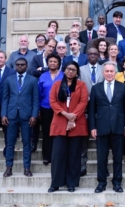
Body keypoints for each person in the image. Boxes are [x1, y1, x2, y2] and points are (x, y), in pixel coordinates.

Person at [88, 61, 125, 193]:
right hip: (101, 127)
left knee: (118, 157)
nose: (109, 73)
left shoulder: (122, 87)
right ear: (103, 73)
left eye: (111, 71)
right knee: (102, 157)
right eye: (106, 71)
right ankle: (101, 183)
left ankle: (117, 182)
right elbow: (91, 110)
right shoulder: (96, 88)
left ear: (115, 72)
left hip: (118, 126)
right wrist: (92, 127)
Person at [47, 61, 89, 193]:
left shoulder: (82, 85)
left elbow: (83, 102)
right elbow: (53, 101)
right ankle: (56, 183)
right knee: (58, 155)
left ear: (77, 73)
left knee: (74, 155)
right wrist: (66, 114)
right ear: (64, 70)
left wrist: (73, 117)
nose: (71, 71)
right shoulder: (57, 84)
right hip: (60, 122)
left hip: (76, 125)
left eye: (74, 70)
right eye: (69, 69)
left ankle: (72, 183)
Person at [1, 58, 39, 177]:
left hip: (27, 116)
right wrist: (3, 114)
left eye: (22, 65)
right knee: (10, 143)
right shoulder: (9, 80)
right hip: (11, 115)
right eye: (18, 65)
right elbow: (5, 98)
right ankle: (8, 167)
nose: (20, 66)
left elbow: (35, 100)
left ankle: (27, 168)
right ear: (15, 66)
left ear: (26, 66)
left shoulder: (33, 80)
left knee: (27, 143)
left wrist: (34, 115)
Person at [79, 48, 105, 176]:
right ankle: (82, 166)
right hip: (85, 106)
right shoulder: (81, 69)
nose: (93, 56)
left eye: (95, 54)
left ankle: (103, 168)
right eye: (90, 54)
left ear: (98, 56)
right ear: (87, 56)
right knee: (83, 138)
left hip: (101, 106)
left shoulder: (104, 68)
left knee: (101, 138)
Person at [38, 53, 64, 165]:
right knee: (47, 132)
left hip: (60, 109)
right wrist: (38, 109)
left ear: (59, 63)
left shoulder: (63, 75)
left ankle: (57, 156)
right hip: (46, 108)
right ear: (47, 63)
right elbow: (39, 93)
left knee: (58, 133)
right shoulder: (43, 76)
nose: (52, 63)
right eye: (50, 61)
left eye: (55, 61)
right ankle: (46, 156)